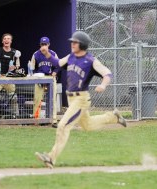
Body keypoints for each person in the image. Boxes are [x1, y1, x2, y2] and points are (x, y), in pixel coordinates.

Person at [35, 31, 127, 168]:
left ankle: (50, 157)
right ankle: (114, 117)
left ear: (82, 44)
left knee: (63, 126)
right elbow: (58, 62)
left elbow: (107, 73)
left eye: (75, 42)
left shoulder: (90, 61)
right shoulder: (71, 57)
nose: (72, 44)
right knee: (88, 125)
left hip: (81, 99)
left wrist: (103, 84)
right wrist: (47, 54)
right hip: (72, 99)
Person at [0, 33, 21, 120]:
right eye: (5, 39)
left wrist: (14, 68)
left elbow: (17, 66)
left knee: (13, 97)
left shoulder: (15, 53)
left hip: (8, 78)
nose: (6, 40)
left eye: (8, 39)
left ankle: (15, 116)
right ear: (2, 41)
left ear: (11, 41)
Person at [29, 37, 59, 128]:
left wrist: (55, 71)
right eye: (42, 44)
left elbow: (59, 65)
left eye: (45, 44)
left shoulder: (53, 53)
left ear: (48, 45)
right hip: (40, 78)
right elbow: (32, 68)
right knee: (37, 98)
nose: (44, 46)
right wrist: (35, 76)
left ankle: (53, 120)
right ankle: (36, 119)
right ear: (40, 45)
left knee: (53, 99)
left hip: (50, 77)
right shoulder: (36, 54)